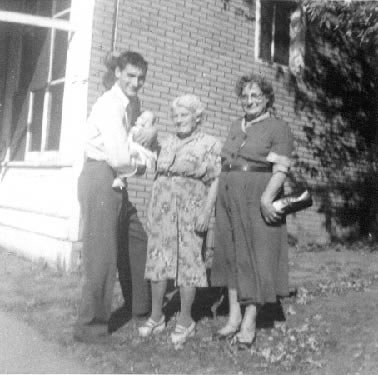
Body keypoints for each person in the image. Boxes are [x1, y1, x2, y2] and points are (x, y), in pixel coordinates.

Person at [74, 51, 157, 342]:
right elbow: (120, 156)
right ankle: (90, 329)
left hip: (115, 180)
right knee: (102, 256)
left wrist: (143, 136)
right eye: (131, 75)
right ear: (118, 73)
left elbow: (128, 142)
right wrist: (144, 163)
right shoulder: (109, 105)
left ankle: (141, 310)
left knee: (137, 240)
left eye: (141, 77)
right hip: (100, 177)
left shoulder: (128, 104)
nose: (136, 82)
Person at [211, 73, 294, 350]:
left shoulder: (278, 127)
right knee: (232, 255)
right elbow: (225, 162)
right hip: (229, 195)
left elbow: (280, 169)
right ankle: (233, 317)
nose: (249, 101)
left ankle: (249, 320)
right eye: (245, 96)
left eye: (255, 95)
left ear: (267, 98)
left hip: (257, 194)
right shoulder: (236, 125)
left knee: (255, 256)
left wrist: (267, 198)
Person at [138, 94, 221, 345]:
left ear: (197, 117)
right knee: (158, 261)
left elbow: (216, 179)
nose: (179, 120)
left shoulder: (210, 143)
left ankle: (186, 320)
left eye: (184, 115)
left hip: (191, 209)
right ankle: (156, 316)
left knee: (189, 263)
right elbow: (155, 173)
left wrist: (207, 211)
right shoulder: (165, 142)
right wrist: (151, 207)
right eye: (175, 116)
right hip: (162, 208)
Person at [112, 110, 157, 190]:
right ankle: (121, 179)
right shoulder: (133, 129)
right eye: (142, 117)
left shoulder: (144, 132)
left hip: (138, 154)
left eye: (147, 120)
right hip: (131, 153)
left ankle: (121, 179)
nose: (143, 120)